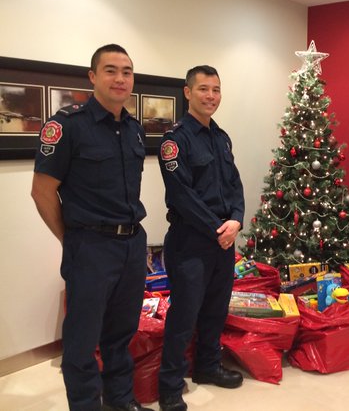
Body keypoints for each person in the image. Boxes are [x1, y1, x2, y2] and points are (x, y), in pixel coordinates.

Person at [31, 44, 151, 411]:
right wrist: (72, 239)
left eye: (127, 71)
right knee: (82, 341)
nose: (120, 78)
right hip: (91, 246)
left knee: (121, 334)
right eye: (111, 70)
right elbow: (41, 192)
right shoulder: (67, 125)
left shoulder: (134, 129)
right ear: (93, 77)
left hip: (132, 244)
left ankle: (120, 400)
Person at [157, 65, 245, 411]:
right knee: (184, 316)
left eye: (216, 90)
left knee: (215, 310)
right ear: (187, 92)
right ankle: (170, 386)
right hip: (191, 242)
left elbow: (235, 184)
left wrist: (236, 219)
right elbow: (182, 195)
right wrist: (217, 229)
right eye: (204, 89)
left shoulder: (221, 137)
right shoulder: (174, 140)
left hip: (224, 239)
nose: (211, 96)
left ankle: (208, 367)